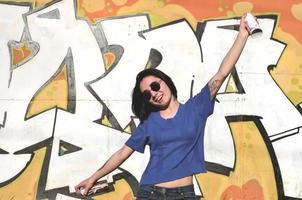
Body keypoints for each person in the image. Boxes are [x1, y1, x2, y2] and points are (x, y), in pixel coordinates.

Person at [75, 14, 250, 199]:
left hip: (185, 194)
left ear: (165, 82)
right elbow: (121, 155)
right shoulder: (149, 124)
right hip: (150, 193)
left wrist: (242, 36)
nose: (154, 93)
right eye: (147, 94)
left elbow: (222, 73)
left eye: (155, 86)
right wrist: (93, 178)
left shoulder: (196, 108)